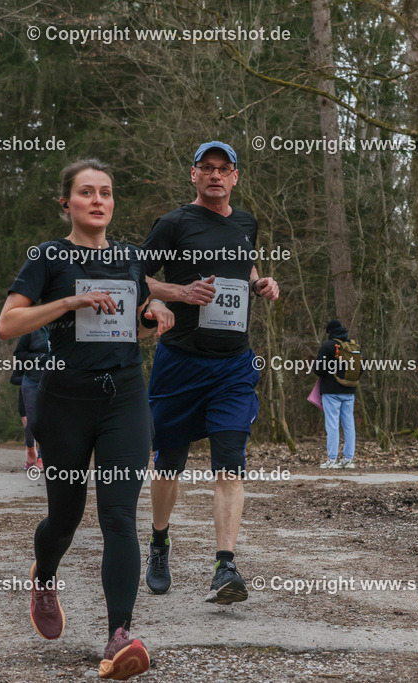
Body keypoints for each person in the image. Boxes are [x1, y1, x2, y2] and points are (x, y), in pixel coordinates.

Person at [0, 158, 174, 679]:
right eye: (87, 192)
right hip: (65, 400)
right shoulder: (47, 257)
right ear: (67, 203)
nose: (99, 200)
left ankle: (119, 634)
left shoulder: (130, 259)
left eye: (107, 192)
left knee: (119, 514)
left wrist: (156, 316)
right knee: (66, 516)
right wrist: (70, 300)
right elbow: (9, 323)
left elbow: (127, 328)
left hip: (123, 396)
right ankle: (45, 575)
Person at [141, 141, 280, 604]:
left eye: (224, 169)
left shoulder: (245, 222)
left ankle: (226, 567)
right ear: (194, 174)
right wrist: (179, 293)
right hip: (180, 362)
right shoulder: (174, 223)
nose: (216, 175)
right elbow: (136, 278)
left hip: (233, 364)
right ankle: (159, 542)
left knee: (231, 462)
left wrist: (261, 281)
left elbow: (245, 266)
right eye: (207, 168)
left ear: (236, 176)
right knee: (169, 463)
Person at [314, 319, 358, 468]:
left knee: (332, 425)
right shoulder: (351, 345)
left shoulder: (327, 346)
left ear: (330, 332)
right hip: (349, 391)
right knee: (349, 424)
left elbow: (318, 369)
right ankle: (348, 459)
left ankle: (332, 459)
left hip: (331, 391)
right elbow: (361, 368)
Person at [15, 328, 49, 469]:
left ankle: (41, 457)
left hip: (53, 380)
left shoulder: (62, 328)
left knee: (47, 420)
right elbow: (18, 354)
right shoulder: (33, 330)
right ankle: (30, 447)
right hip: (32, 380)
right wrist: (39, 358)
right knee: (32, 421)